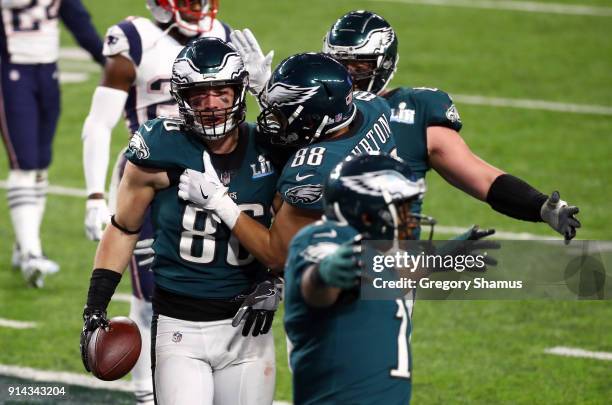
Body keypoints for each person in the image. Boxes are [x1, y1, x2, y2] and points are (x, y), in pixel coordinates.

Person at [80, 38, 278, 405]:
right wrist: (96, 304)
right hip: (179, 324)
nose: (212, 105)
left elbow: (294, 229)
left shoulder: (271, 145)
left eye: (222, 91)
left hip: (248, 326)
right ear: (180, 98)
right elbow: (123, 227)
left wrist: (275, 282)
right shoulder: (160, 146)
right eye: (199, 95)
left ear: (240, 91)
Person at [322, 10, 581, 242]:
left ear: (384, 64)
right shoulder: (310, 107)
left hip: (385, 264)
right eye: (339, 64)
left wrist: (540, 206)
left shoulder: (415, 110)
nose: (349, 76)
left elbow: (482, 177)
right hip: (316, 254)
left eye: (359, 66)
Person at [177, 52, 398, 270]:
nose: (273, 119)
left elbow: (277, 257)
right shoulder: (372, 107)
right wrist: (272, 95)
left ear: (314, 119)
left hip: (353, 274)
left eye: (282, 113)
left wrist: (218, 202)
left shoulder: (312, 171)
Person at [284, 152, 426, 404]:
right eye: (400, 209)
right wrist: (324, 275)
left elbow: (395, 274)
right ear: (368, 213)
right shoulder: (327, 235)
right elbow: (316, 283)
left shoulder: (377, 252)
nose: (410, 220)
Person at [1, 0, 103, 287]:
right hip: (10, 70)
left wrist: (107, 59)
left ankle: (26, 246)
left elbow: (77, 20)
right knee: (24, 162)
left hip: (47, 71)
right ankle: (32, 251)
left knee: (41, 162)